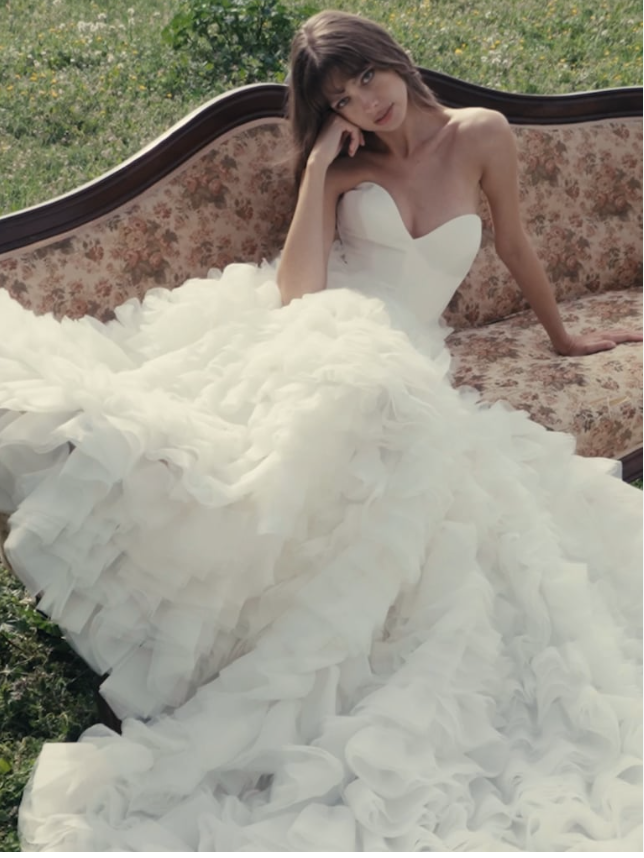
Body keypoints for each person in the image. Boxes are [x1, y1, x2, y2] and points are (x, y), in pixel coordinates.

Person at [0, 9, 641, 852]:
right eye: (341, 98)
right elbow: (298, 296)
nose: (365, 102)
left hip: (407, 356)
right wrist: (317, 173)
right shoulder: (345, 170)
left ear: (394, 59)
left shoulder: (481, 134)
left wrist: (564, 337)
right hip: (322, 334)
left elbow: (516, 244)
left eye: (367, 77)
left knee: (393, 415)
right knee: (341, 405)